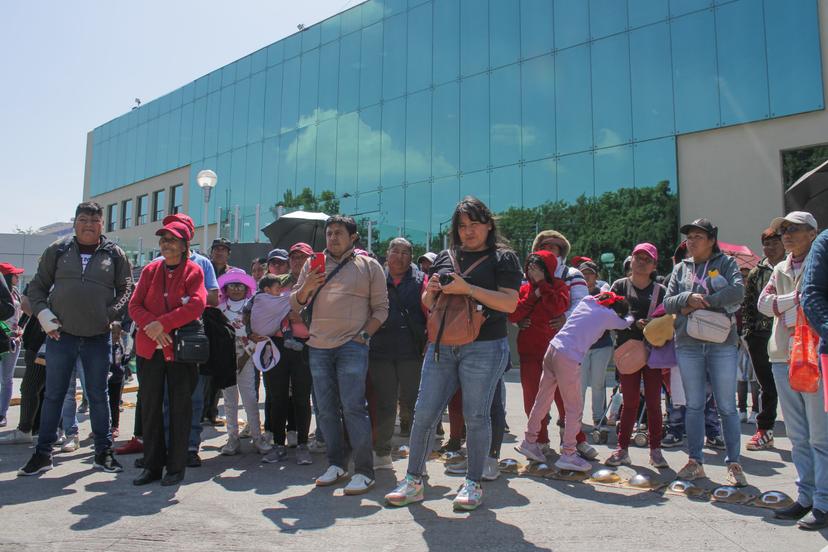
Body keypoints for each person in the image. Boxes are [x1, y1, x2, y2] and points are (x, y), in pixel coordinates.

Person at [385, 196, 520, 511]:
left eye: (474, 225)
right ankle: (413, 480)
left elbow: (510, 304)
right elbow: (429, 304)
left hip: (485, 346)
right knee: (423, 414)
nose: (468, 231)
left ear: (488, 225)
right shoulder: (445, 256)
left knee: (476, 416)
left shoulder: (504, 258)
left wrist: (468, 289)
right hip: (441, 346)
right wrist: (431, 291)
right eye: (462, 226)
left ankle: (472, 484)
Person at [18, 202, 133, 477]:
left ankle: (103, 453)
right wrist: (43, 314)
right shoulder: (57, 250)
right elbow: (37, 287)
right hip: (61, 336)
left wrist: (111, 314)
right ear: (75, 223)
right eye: (83, 219)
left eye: (95, 220)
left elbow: (126, 288)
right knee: (54, 395)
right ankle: (43, 454)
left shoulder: (115, 254)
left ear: (102, 224)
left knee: (98, 396)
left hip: (98, 337)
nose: (89, 225)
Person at [291, 215, 389, 495]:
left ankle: (364, 470)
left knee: (353, 407)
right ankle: (336, 463)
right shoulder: (312, 264)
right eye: (330, 233)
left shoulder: (369, 265)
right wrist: (308, 284)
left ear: (353, 237)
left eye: (339, 233)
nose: (333, 237)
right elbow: (295, 304)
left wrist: (363, 337)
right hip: (318, 347)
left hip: (352, 347)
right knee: (325, 409)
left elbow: (382, 308)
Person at [663, 218, 747, 486]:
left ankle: (734, 463)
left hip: (721, 341)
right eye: (689, 236)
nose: (691, 241)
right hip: (688, 342)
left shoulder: (727, 263)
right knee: (694, 405)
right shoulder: (680, 268)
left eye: (698, 236)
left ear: (712, 240)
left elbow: (738, 291)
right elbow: (667, 302)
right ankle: (695, 461)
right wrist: (687, 300)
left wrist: (705, 302)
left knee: (726, 406)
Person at [759, 211, 826, 528]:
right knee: (797, 435)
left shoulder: (821, 262)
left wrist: (784, 302)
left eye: (793, 229)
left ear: (813, 233)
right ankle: (806, 497)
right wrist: (795, 298)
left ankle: (824, 503)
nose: (785, 235)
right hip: (782, 356)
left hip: (813, 355)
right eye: (782, 229)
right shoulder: (780, 268)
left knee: (820, 434)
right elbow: (763, 305)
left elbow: (804, 303)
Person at [516, 292, 632, 471]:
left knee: (542, 400)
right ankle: (569, 453)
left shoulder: (588, 301)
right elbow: (625, 323)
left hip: (553, 348)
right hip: (568, 357)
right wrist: (630, 315)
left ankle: (529, 442)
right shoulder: (609, 315)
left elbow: (595, 298)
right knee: (574, 408)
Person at [129, 218, 206, 486]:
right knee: (150, 407)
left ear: (185, 245)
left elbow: (197, 304)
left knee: (179, 408)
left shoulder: (193, 271)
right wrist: (152, 327)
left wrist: (164, 324)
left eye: (172, 240)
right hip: (150, 348)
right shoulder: (150, 270)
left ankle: (175, 467)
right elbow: (134, 305)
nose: (166, 244)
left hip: (180, 352)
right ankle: (151, 465)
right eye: (163, 240)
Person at [524, 230, 597, 459]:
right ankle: (540, 440)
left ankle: (576, 440)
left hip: (563, 344)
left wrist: (566, 317)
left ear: (563, 249)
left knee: (568, 398)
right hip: (533, 344)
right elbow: (519, 301)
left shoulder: (571, 273)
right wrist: (520, 318)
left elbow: (584, 304)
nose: (551, 248)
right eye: (546, 244)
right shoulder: (527, 273)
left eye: (556, 245)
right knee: (533, 397)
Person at [605, 243, 668, 469]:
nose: (641, 261)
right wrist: (634, 323)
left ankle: (656, 450)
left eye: (647, 259)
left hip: (654, 350)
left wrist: (654, 324)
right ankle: (622, 449)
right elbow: (609, 313)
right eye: (638, 257)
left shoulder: (661, 290)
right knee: (629, 400)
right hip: (627, 349)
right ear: (630, 260)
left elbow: (670, 318)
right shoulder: (619, 285)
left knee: (653, 401)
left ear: (654, 265)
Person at [369, 237, 427, 469]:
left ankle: (417, 457)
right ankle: (382, 453)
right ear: (387, 253)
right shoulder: (375, 278)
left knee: (413, 403)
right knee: (385, 402)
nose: (400, 256)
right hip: (380, 350)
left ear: (411, 258)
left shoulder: (421, 280)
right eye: (396, 251)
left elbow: (429, 311)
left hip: (410, 351)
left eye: (406, 252)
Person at [508, 251, 570, 457]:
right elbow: (514, 314)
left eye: (537, 268)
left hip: (556, 353)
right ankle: (540, 440)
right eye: (530, 268)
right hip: (529, 353)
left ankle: (570, 440)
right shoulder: (524, 289)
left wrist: (542, 285)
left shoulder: (560, 286)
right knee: (532, 399)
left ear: (548, 270)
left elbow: (557, 307)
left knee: (563, 398)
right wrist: (532, 296)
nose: (532, 272)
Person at [217, 270, 272, 456]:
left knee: (250, 398)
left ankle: (257, 437)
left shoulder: (252, 306)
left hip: (247, 359)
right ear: (225, 288)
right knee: (229, 400)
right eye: (232, 285)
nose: (236, 289)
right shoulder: (220, 307)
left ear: (246, 287)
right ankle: (232, 438)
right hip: (225, 360)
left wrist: (244, 357)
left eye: (240, 285)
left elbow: (257, 332)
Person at [742, 228, 786, 451]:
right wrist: (748, 333)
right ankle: (765, 429)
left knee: (795, 384)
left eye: (774, 243)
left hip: (786, 333)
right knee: (766, 385)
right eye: (766, 244)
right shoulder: (755, 273)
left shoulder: (792, 268)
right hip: (759, 335)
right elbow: (748, 305)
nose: (770, 248)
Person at [577, 261, 614, 425]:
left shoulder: (604, 294)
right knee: (580, 385)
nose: (586, 277)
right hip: (581, 346)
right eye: (583, 273)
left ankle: (599, 417)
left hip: (602, 345)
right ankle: (575, 417)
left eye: (589, 273)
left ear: (596, 277)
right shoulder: (575, 293)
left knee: (598, 383)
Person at [0, 263, 24, 427]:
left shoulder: (16, 293)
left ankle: (2, 413)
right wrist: (6, 331)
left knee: (7, 379)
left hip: (14, 341)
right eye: (15, 275)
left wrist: (21, 329)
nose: (18, 277)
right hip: (3, 338)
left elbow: (21, 315)